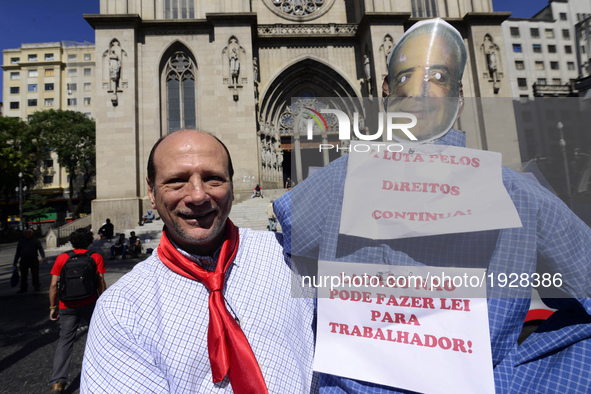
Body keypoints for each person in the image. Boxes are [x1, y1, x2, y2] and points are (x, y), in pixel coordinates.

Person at [274, 18, 591, 393]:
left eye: (434, 77)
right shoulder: (519, 194)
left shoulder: (335, 182)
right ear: (460, 98)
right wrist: (519, 378)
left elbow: (287, 249)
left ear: (386, 93)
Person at [82, 130, 316, 392]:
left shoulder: (290, 257)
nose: (197, 196)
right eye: (177, 181)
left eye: (213, 179)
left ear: (231, 183)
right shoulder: (122, 309)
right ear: (151, 191)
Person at [49, 228, 106, 394]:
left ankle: (57, 382)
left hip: (66, 305)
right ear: (89, 241)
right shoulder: (95, 257)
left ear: (72, 242)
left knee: (65, 342)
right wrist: (102, 301)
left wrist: (53, 307)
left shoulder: (62, 258)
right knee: (97, 339)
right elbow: (101, 282)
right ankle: (100, 376)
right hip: (90, 302)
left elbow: (53, 285)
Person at [13, 228, 46, 293]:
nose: (28, 234)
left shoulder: (36, 241)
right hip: (24, 260)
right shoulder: (21, 241)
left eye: (29, 233)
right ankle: (23, 288)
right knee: (23, 275)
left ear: (32, 234)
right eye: (27, 233)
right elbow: (18, 252)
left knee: (35, 274)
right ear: (24, 234)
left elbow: (40, 249)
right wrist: (15, 262)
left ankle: (36, 286)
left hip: (33, 259)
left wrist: (43, 256)